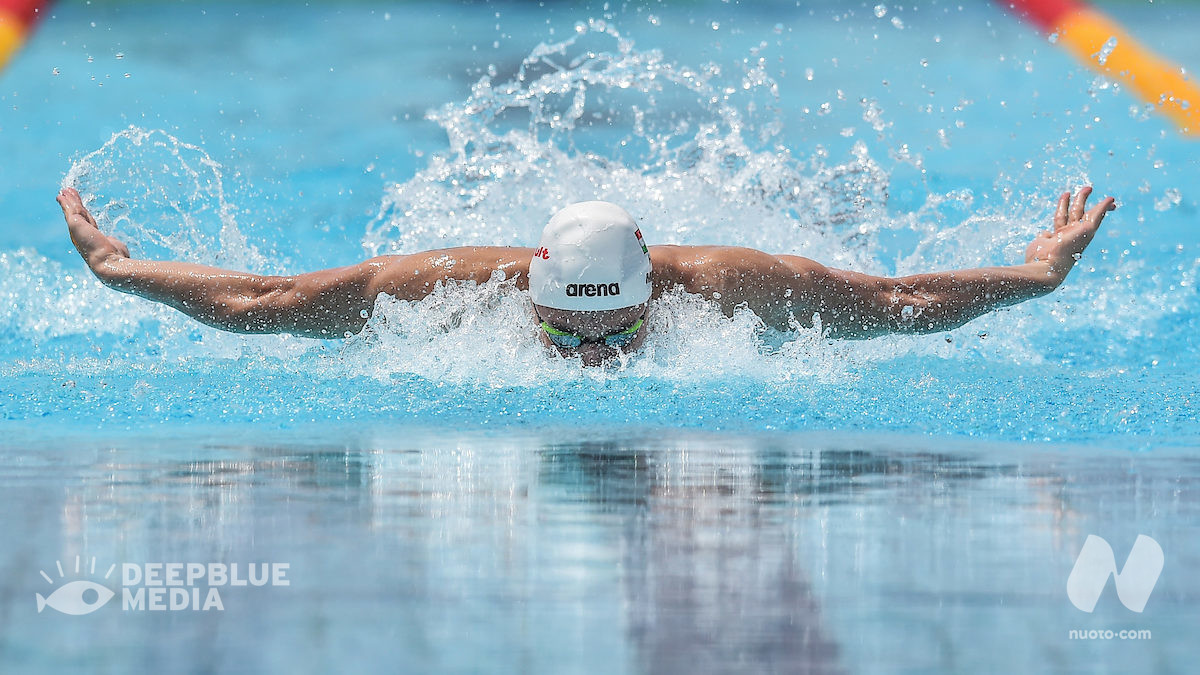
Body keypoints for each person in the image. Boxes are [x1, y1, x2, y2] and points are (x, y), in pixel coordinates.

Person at [57, 185, 1116, 366]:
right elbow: (266, 304)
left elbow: (895, 304)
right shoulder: (446, 284)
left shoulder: (730, 282)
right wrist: (121, 269)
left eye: (615, 332)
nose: (595, 357)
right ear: (532, 294)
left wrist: (1035, 277)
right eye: (570, 333)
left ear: (656, 290)